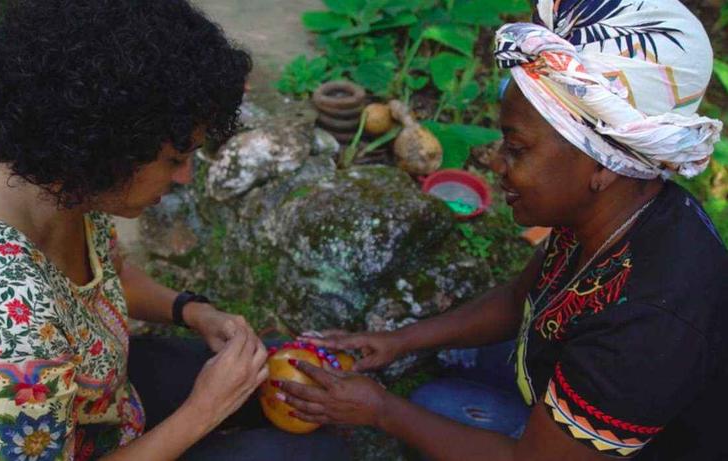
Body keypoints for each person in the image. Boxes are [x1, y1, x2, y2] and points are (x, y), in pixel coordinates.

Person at [279, 0, 728, 459]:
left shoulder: (649, 324)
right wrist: (398, 341)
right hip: (573, 374)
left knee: (432, 404)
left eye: (515, 147)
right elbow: (522, 298)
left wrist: (380, 411)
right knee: (443, 383)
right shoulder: (615, 210)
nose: (494, 161)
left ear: (601, 164)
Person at [0, 1, 349, 459]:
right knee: (314, 453)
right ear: (109, 146)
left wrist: (191, 312)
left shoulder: (50, 177)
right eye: (176, 159)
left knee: (288, 378)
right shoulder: (0, 323)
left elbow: (103, 275)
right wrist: (204, 411)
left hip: (106, 401)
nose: (185, 178)